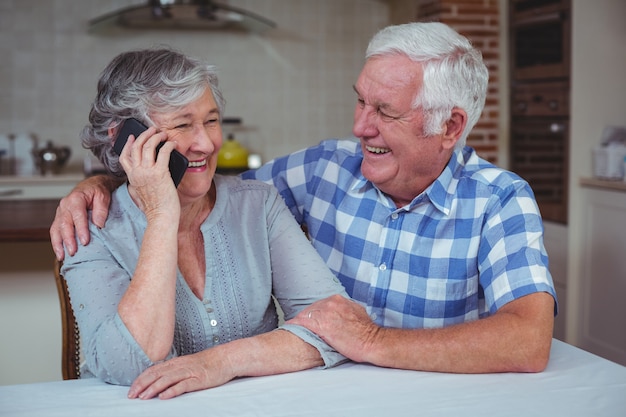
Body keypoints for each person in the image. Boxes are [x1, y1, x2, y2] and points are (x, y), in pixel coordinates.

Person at [51, 22, 557, 375]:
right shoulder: (319, 171)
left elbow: (528, 341)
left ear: (449, 127)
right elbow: (208, 192)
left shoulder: (499, 200)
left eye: (385, 111)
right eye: (360, 101)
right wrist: (103, 180)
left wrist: (371, 342)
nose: (360, 127)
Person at [58, 47, 349, 400]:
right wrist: (163, 215)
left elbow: (337, 327)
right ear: (124, 137)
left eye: (211, 121)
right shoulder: (91, 229)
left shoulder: (258, 205)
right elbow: (129, 366)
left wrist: (220, 363)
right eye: (182, 124)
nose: (207, 143)